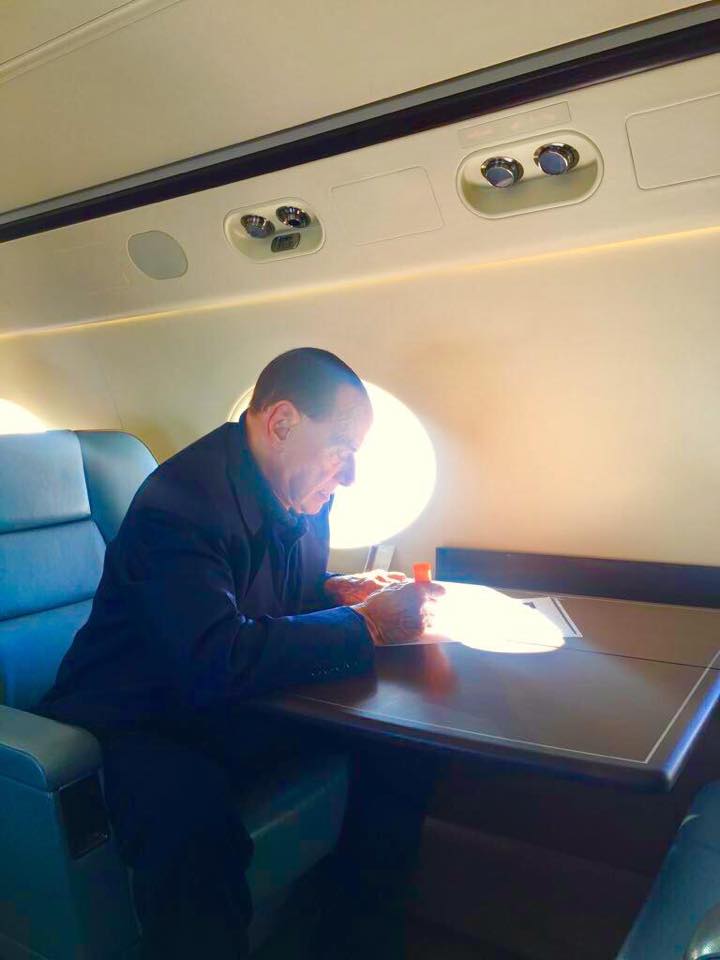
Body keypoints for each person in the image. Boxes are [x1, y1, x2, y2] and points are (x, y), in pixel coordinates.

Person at [38, 347, 444, 959]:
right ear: (281, 423)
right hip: (134, 717)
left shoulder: (303, 494)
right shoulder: (180, 503)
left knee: (401, 748)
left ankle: (352, 939)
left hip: (223, 700)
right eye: (342, 450)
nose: (350, 476)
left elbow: (271, 598)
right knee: (193, 821)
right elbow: (213, 656)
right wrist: (365, 626)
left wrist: (338, 590)